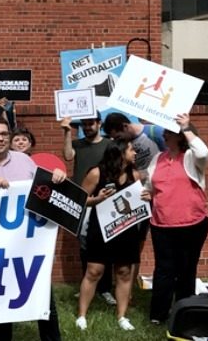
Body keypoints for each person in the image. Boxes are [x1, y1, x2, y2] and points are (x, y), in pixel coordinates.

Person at [0, 117, 65, 341]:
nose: (0, 138)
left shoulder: (25, 161)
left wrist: (56, 178)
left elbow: (41, 190)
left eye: (4, 134)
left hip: (29, 246)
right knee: (0, 305)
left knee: (44, 301)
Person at [140, 113, 208, 324]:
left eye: (169, 132)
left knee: (187, 270)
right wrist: (147, 192)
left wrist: (187, 127)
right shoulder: (157, 159)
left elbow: (204, 152)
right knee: (164, 270)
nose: (164, 134)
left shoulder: (191, 157)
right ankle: (158, 315)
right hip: (162, 224)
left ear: (179, 137)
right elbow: (150, 186)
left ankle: (184, 312)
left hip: (192, 223)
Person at [75, 140, 143, 331]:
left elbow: (138, 200)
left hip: (126, 230)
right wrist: (97, 199)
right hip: (100, 230)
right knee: (94, 271)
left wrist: (146, 197)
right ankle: (81, 316)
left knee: (124, 272)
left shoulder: (134, 174)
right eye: (131, 149)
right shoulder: (97, 173)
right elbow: (79, 199)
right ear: (120, 153)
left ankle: (122, 317)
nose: (135, 152)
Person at [61, 114, 115, 306]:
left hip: (104, 201)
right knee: (84, 245)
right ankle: (88, 284)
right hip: (83, 201)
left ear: (99, 123)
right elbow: (68, 156)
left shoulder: (109, 144)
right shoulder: (78, 144)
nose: (88, 127)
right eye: (84, 124)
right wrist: (67, 132)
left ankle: (105, 288)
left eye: (91, 123)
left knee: (106, 245)